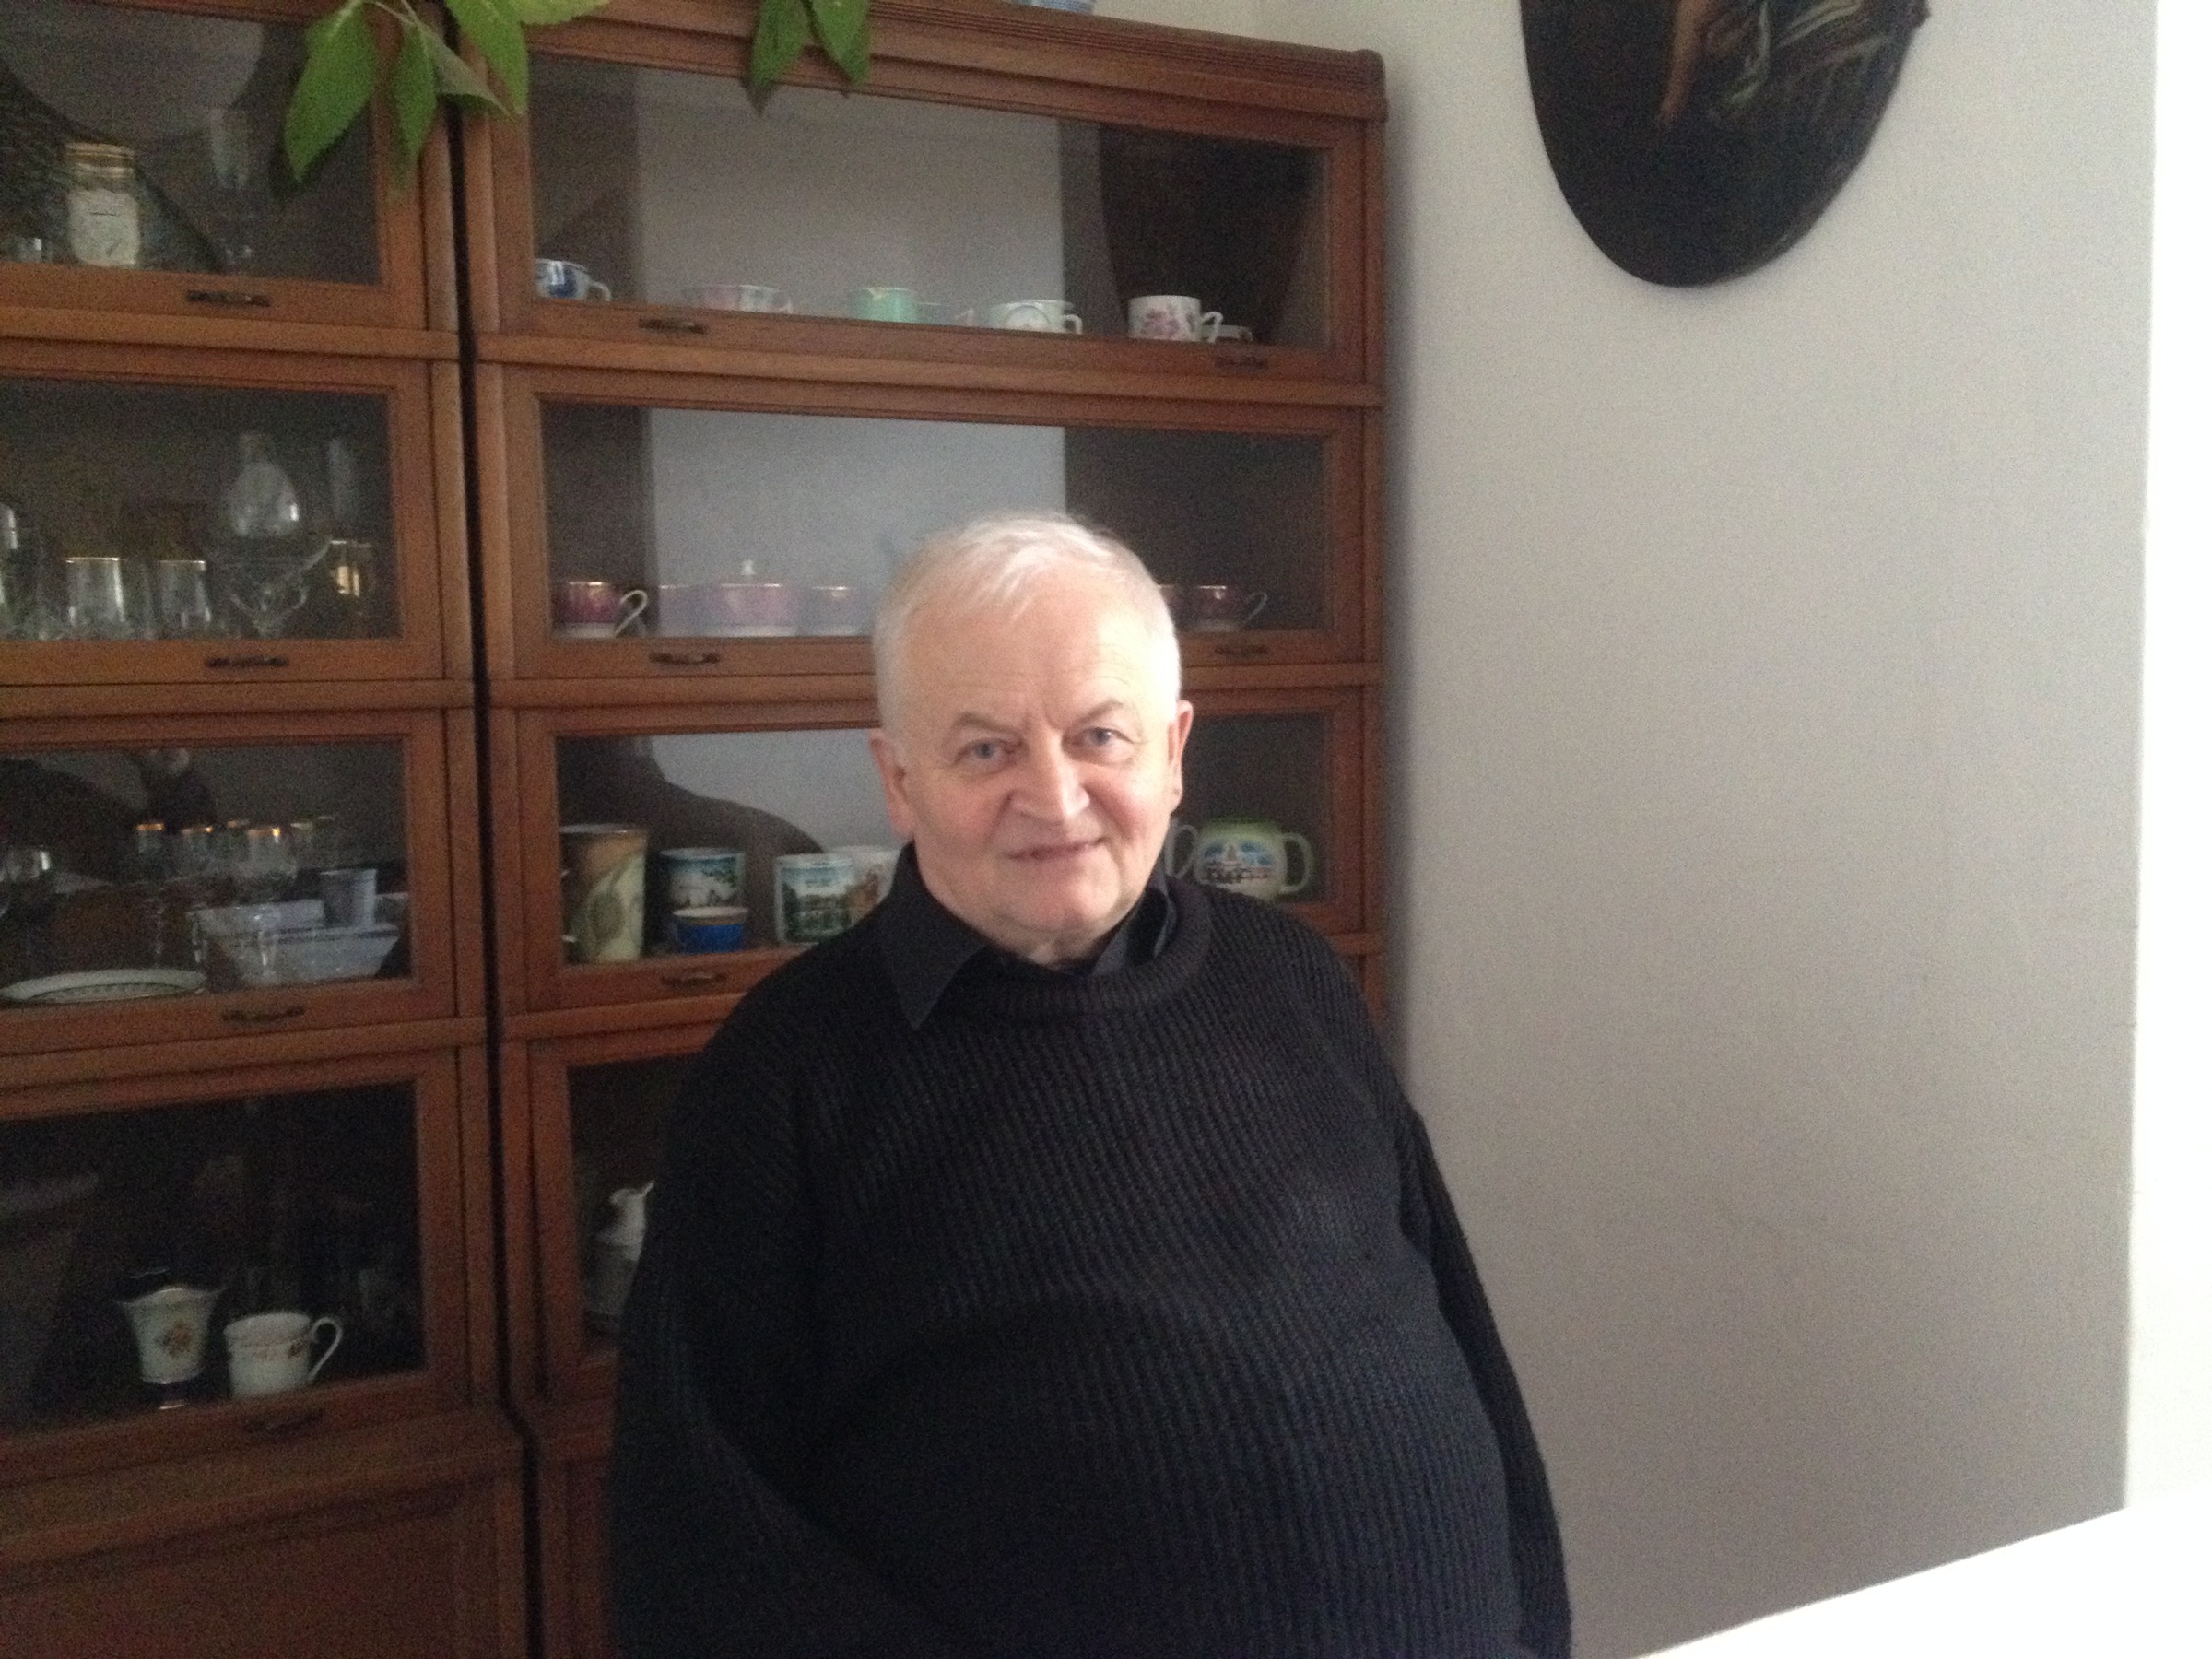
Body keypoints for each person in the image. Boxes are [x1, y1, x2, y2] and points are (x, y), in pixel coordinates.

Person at [608, 513, 1570, 1658]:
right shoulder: (784, 1075)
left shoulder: (1292, 975)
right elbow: (701, 1547)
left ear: (1173, 751)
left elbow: (1459, 1336)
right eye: (986, 750)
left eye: (1099, 737)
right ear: (899, 780)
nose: (1055, 799)